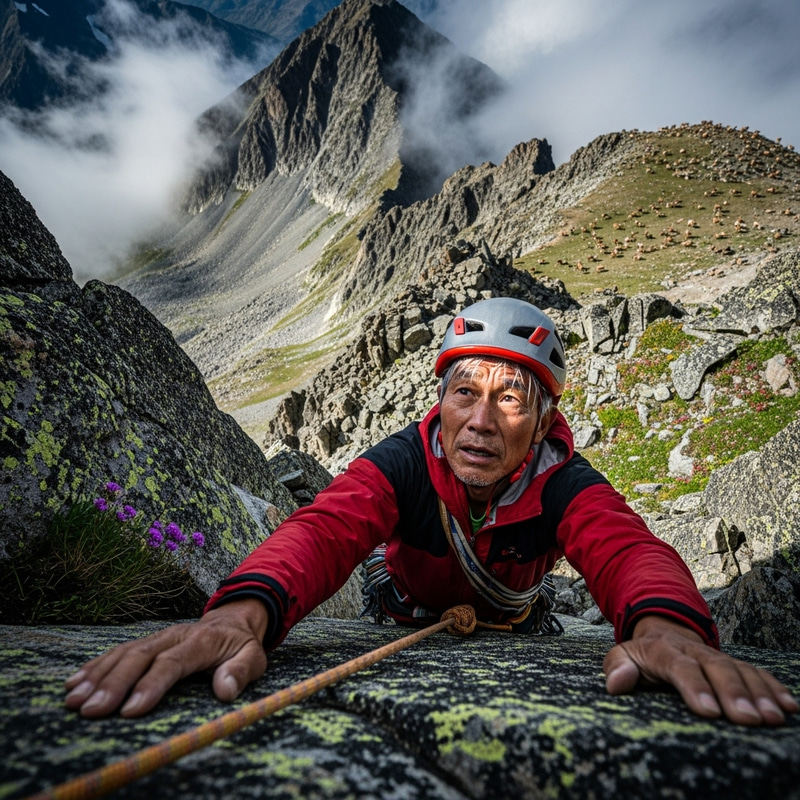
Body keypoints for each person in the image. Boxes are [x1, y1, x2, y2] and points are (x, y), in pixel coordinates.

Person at [65, 297, 798, 726]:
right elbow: (325, 530)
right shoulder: (403, 463)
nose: (480, 421)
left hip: (510, 623)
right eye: (464, 393)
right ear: (439, 401)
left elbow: (624, 547)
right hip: (404, 611)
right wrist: (239, 616)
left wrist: (666, 630)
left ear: (544, 423)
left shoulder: (563, 482)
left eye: (510, 399)